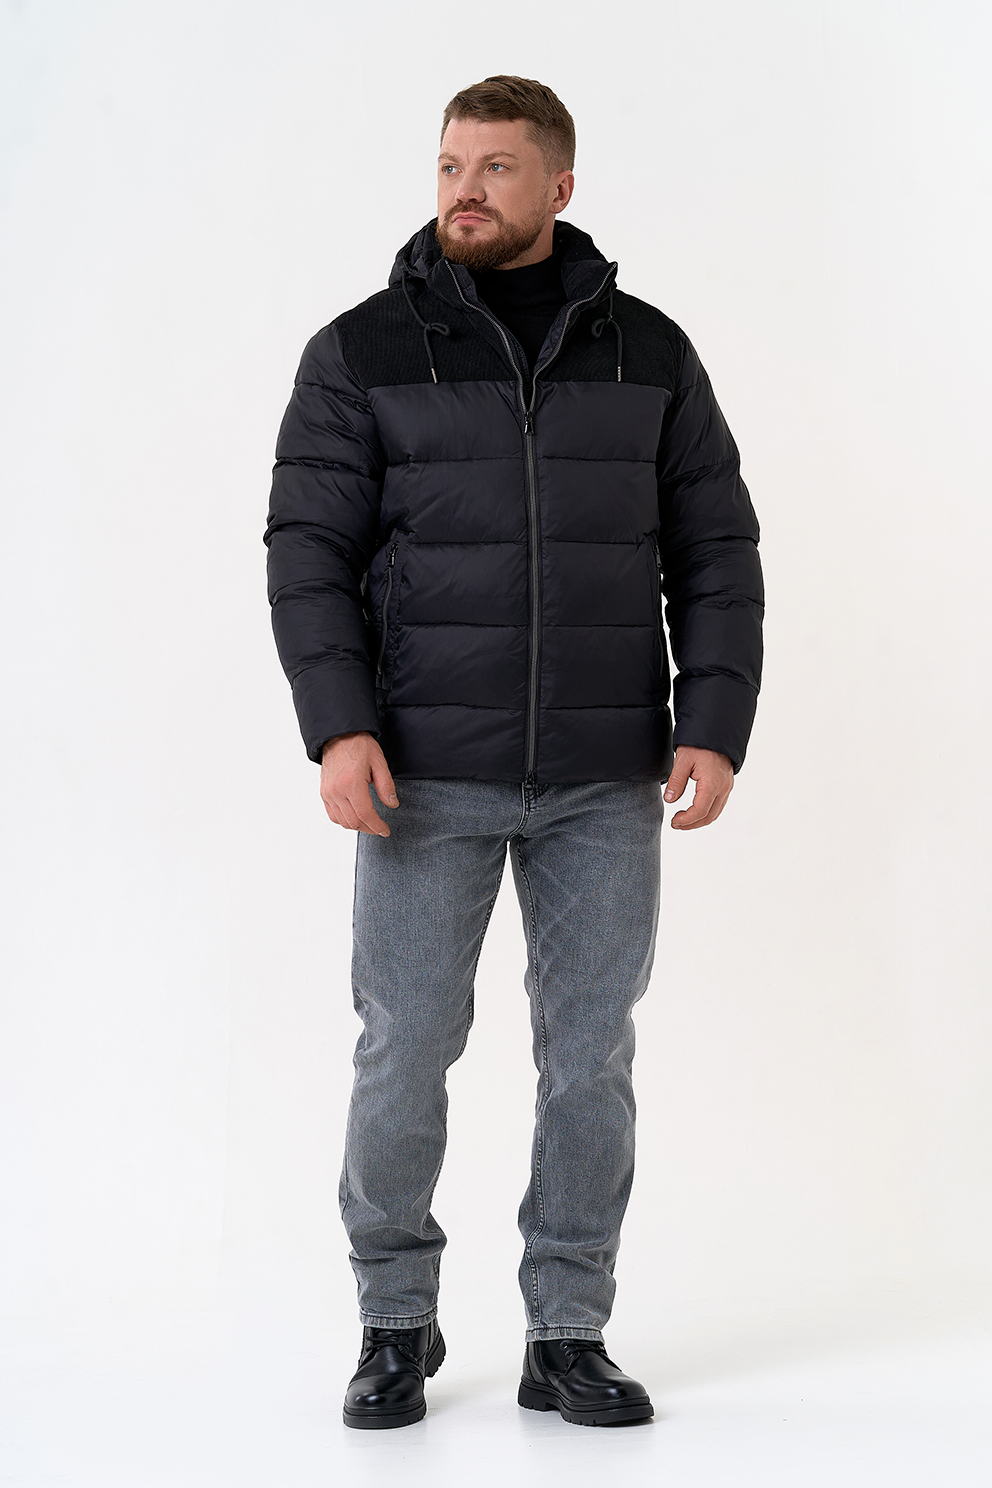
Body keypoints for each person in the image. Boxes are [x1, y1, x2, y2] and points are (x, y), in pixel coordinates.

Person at [264, 74, 764, 1431]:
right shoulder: (364, 349)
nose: (464, 190)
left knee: (590, 1058)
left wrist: (713, 722)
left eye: (494, 167)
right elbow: (308, 555)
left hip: (606, 773)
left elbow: (716, 547)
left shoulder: (649, 353)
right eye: (448, 165)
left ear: (560, 185)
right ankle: (394, 1320)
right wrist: (339, 725)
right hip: (423, 769)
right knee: (404, 1048)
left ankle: (567, 1330)